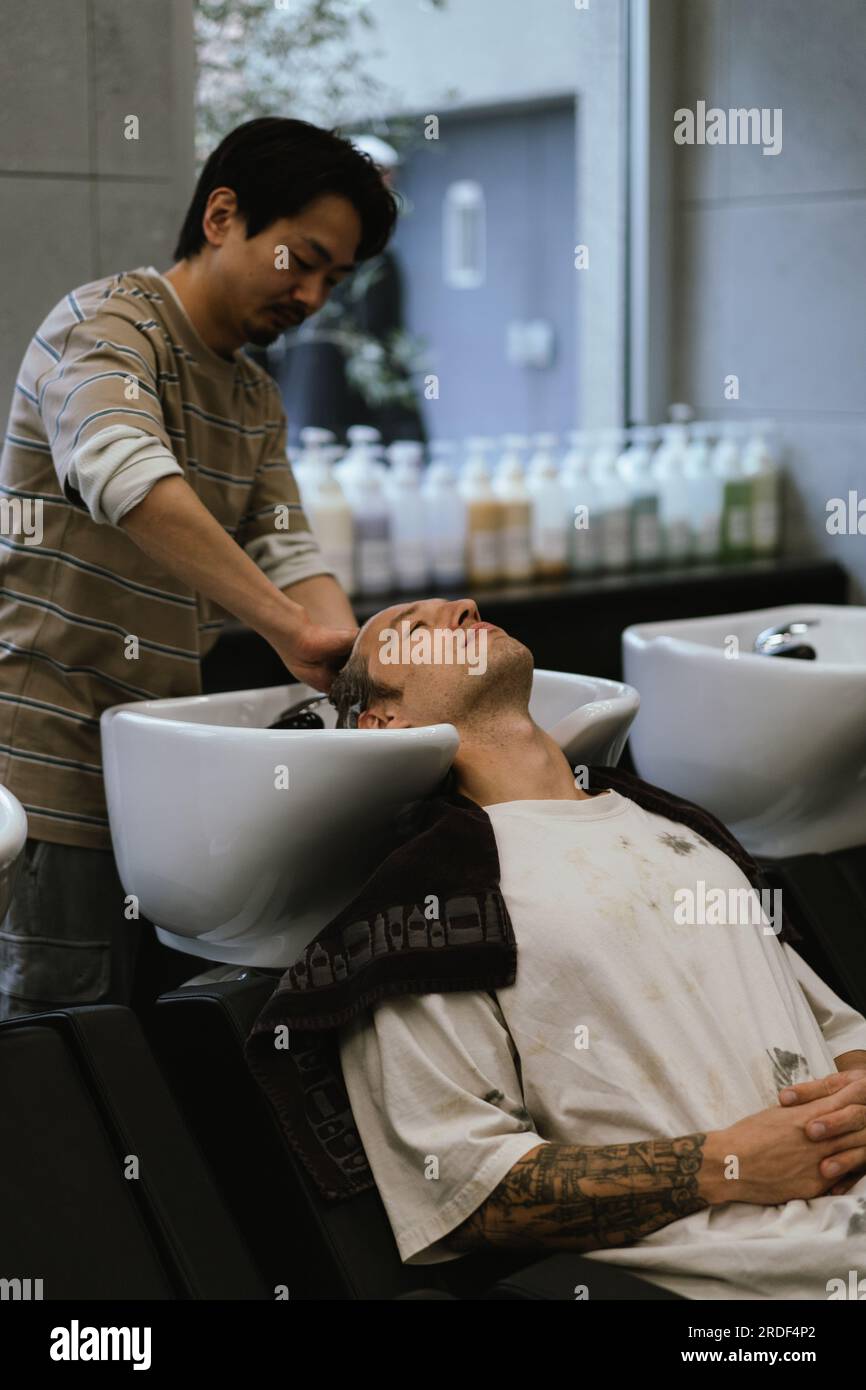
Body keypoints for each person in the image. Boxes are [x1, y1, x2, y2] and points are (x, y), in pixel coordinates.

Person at [326, 596, 866, 1300]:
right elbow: (468, 1188)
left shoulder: (678, 831)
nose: (462, 604)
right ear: (384, 722)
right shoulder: (430, 905)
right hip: (757, 1283)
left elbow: (828, 1027)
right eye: (413, 629)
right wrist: (728, 1163)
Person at [0, 117, 399, 1020]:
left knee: (137, 1047)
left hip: (159, 777)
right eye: (302, 260)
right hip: (43, 767)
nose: (312, 298)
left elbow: (288, 548)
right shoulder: (103, 325)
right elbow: (123, 469)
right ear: (223, 215)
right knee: (52, 1055)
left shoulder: (254, 397)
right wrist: (290, 628)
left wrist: (363, 659)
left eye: (334, 280)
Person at [267, 134, 427, 448]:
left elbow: (383, 333)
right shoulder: (354, 257)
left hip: (335, 405)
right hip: (334, 404)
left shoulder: (362, 255)